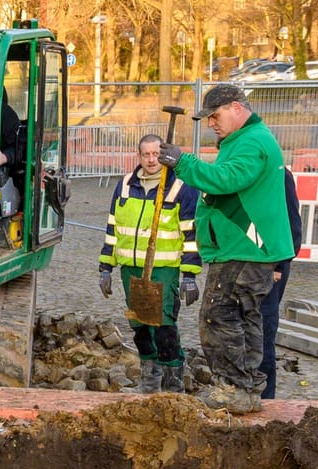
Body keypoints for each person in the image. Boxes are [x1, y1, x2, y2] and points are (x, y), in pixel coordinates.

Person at [158, 83, 296, 414]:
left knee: (219, 316)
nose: (211, 124)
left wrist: (183, 162)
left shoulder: (252, 143)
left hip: (243, 248)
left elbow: (226, 179)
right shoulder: (247, 139)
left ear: (236, 107)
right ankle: (247, 389)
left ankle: (234, 388)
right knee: (245, 319)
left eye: (215, 116)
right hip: (246, 248)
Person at [98, 134, 201, 393]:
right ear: (139, 156)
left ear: (164, 155)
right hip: (130, 269)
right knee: (140, 325)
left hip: (163, 270)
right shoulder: (124, 186)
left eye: (157, 154)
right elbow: (113, 228)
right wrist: (105, 267)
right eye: (146, 154)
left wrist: (189, 274)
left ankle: (173, 383)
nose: (152, 160)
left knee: (163, 325)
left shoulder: (180, 187)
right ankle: (150, 381)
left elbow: (191, 233)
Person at [258, 166, 304, 399]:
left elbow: (291, 226)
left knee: (263, 333)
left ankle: (265, 399)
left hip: (269, 268)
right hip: (241, 264)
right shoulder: (235, 170)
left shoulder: (278, 174)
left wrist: (278, 265)